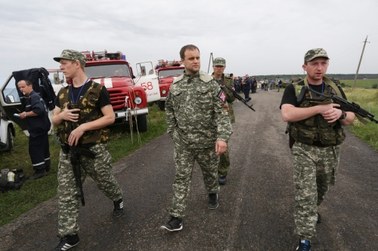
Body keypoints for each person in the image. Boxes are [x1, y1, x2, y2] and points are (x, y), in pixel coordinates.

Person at [280, 48, 355, 251]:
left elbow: (350, 118)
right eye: (314, 63)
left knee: (321, 189)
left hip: (331, 150)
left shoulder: (335, 90)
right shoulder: (294, 89)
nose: (319, 67)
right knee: (306, 194)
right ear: (305, 66)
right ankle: (305, 239)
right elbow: (287, 114)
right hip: (304, 149)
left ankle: (312, 210)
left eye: (323, 63)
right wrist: (321, 108)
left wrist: (340, 116)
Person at [52, 49, 124, 250]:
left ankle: (117, 197)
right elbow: (54, 119)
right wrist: (62, 116)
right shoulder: (62, 92)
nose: (61, 67)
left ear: (77, 64)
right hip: (68, 152)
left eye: (64, 63)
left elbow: (110, 117)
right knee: (67, 193)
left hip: (93, 150)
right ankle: (69, 235)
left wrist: (83, 126)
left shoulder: (97, 90)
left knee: (105, 181)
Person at [161, 44, 232, 232]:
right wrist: (172, 131)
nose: (195, 61)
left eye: (198, 58)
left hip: (206, 143)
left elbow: (222, 113)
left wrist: (222, 138)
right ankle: (176, 217)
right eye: (191, 58)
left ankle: (213, 192)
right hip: (183, 143)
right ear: (182, 61)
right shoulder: (175, 85)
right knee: (181, 178)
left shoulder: (211, 84)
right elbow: (168, 109)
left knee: (210, 174)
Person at [16, 80, 51, 179]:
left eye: (23, 87)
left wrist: (26, 114)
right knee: (44, 147)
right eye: (19, 88)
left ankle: (40, 170)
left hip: (37, 128)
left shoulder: (34, 97)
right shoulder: (32, 97)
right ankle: (46, 166)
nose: (21, 89)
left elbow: (38, 110)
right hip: (42, 127)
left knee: (35, 149)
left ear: (30, 85)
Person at [211, 57, 235, 185]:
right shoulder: (207, 81)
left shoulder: (229, 81)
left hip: (225, 116)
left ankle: (223, 172)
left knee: (223, 144)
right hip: (210, 117)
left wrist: (224, 88)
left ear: (224, 67)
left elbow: (231, 99)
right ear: (213, 67)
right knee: (210, 145)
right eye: (217, 66)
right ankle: (211, 170)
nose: (219, 68)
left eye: (221, 66)